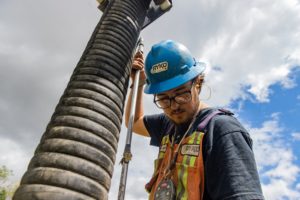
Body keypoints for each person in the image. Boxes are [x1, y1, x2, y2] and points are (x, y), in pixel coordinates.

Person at [125, 40, 264, 200]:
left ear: (198, 83)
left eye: (181, 94)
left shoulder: (221, 130)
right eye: (163, 99)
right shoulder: (167, 125)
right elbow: (134, 122)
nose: (174, 106)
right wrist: (138, 83)